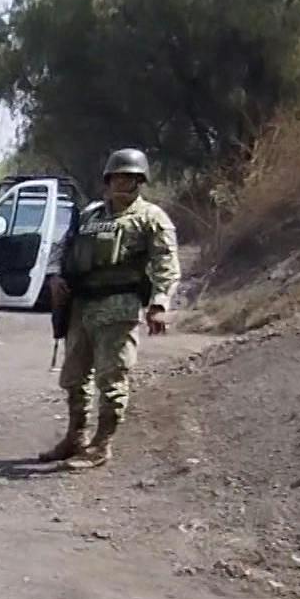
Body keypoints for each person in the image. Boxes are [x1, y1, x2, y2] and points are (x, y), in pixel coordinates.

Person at [38, 147, 181, 469]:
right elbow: (64, 247)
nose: (121, 182)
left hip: (119, 308)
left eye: (129, 177)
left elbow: (166, 264)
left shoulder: (151, 218)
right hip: (81, 306)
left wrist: (159, 303)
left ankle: (101, 445)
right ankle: (76, 437)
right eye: (116, 176)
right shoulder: (89, 215)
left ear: (139, 181)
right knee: (74, 377)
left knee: (111, 378)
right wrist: (54, 277)